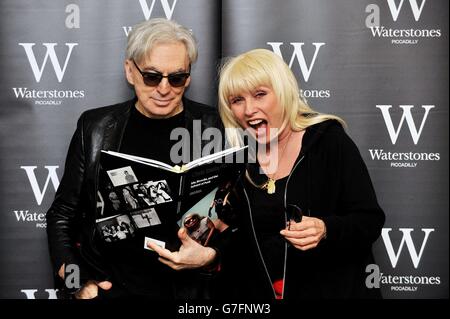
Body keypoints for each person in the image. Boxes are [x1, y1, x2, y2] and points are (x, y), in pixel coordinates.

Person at [46, 18, 220, 299]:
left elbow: (238, 220)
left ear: (188, 77)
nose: (164, 89)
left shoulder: (215, 126)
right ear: (130, 71)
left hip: (185, 292)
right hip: (108, 288)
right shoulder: (95, 127)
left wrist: (210, 256)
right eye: (152, 76)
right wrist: (75, 283)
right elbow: (62, 215)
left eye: (177, 78)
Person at [215, 49, 385, 299]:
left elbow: (369, 221)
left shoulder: (328, 141)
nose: (249, 109)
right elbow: (245, 241)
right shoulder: (241, 158)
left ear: (283, 92)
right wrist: (211, 254)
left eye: (260, 94)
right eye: (237, 100)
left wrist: (326, 228)